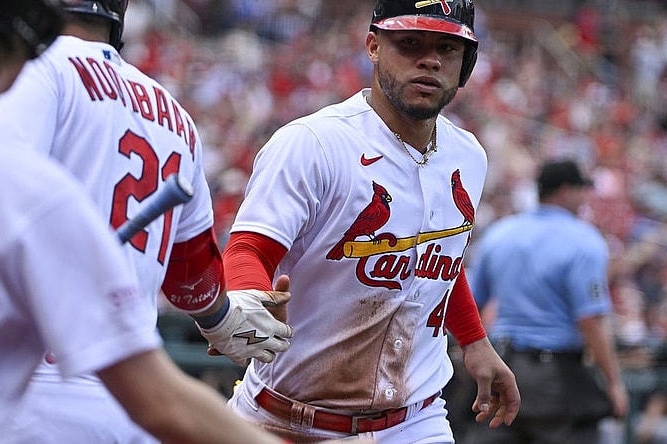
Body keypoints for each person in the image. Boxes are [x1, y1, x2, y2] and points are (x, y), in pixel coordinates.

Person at [0, 1, 298, 443]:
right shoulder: (170, 118)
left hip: (5, 394)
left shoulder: (8, 108)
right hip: (94, 389)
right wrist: (222, 316)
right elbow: (189, 279)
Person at [221, 0, 521, 442]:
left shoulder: (468, 155)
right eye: (410, 43)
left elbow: (438, 258)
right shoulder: (314, 143)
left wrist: (474, 341)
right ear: (373, 46)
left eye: (448, 48)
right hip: (283, 420)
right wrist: (244, 294)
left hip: (414, 421)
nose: (430, 59)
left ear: (466, 64)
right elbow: (248, 248)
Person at [465, 158, 630, 444]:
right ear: (566, 191)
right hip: (557, 380)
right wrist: (614, 382)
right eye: (581, 190)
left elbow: (471, 302)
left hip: (500, 370)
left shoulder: (500, 233)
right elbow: (590, 320)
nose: (584, 199)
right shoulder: (584, 240)